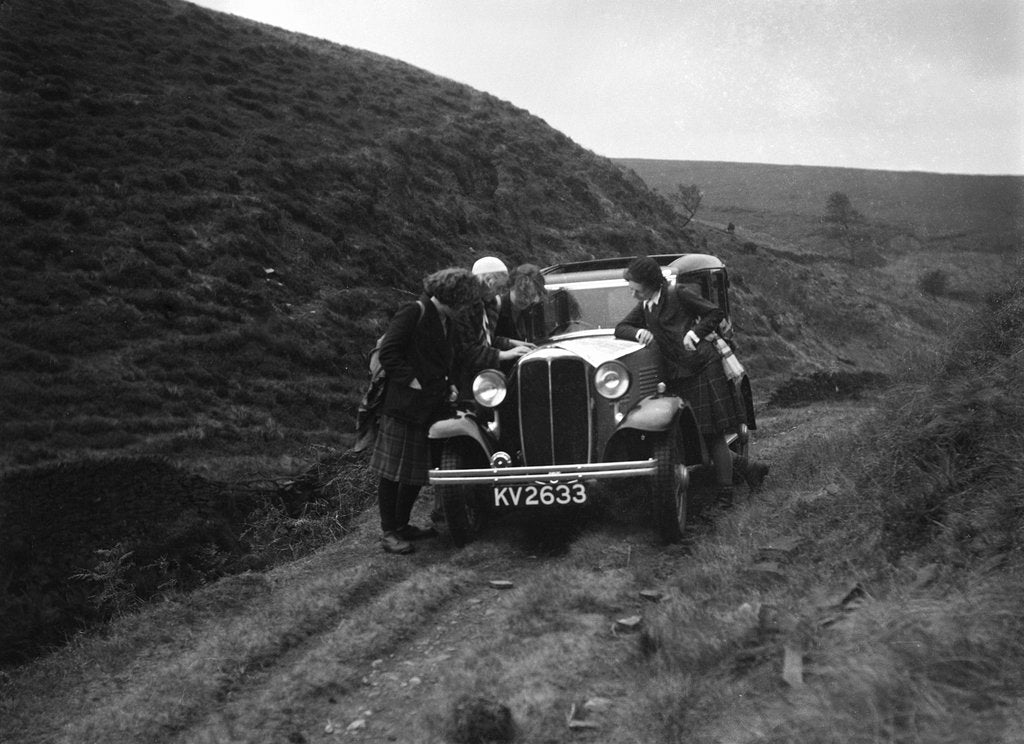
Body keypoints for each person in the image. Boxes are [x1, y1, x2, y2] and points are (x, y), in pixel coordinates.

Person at [614, 255, 765, 509]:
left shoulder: (678, 293)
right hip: (679, 375)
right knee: (700, 437)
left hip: (703, 369)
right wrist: (639, 331)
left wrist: (695, 333)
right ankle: (751, 469)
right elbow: (621, 327)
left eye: (635, 288)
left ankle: (725, 496)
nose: (632, 294)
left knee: (713, 436)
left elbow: (714, 313)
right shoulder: (646, 305)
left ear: (649, 282)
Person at [369, 267, 480, 554]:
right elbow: (389, 352)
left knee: (416, 472)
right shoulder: (413, 312)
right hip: (404, 407)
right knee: (393, 473)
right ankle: (388, 531)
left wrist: (452, 384)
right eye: (463, 302)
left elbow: (448, 361)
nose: (465, 308)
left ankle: (403, 525)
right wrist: (412, 381)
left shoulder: (446, 321)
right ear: (451, 297)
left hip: (431, 407)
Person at [495, 263, 547, 345]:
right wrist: (511, 344)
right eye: (522, 294)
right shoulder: (497, 306)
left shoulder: (534, 310)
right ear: (511, 286)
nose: (526, 300)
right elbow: (487, 342)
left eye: (532, 296)